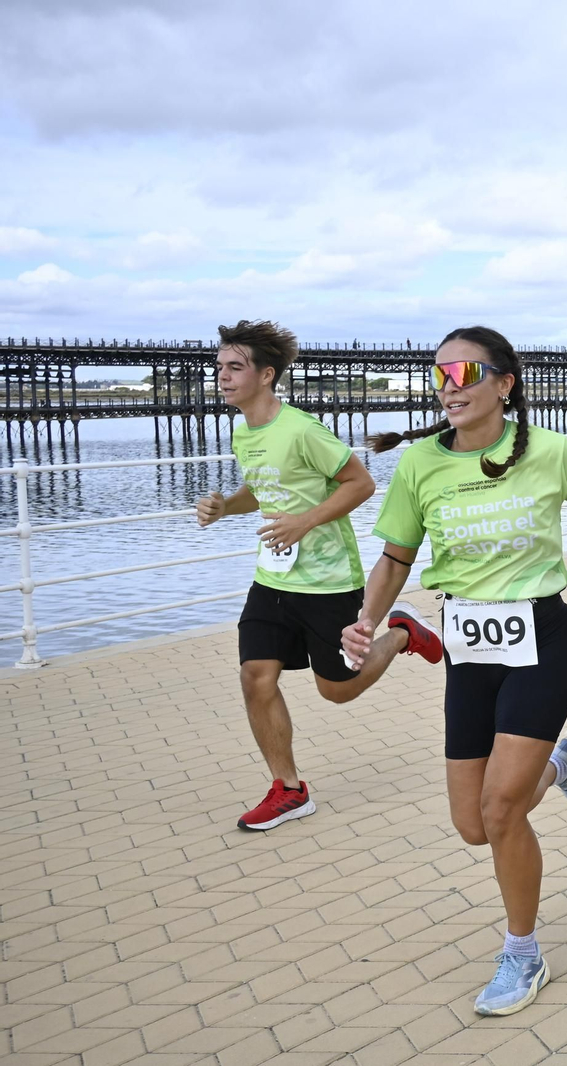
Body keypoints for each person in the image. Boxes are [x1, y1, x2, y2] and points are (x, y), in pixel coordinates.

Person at [342, 325, 567, 1017]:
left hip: (541, 637)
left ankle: (523, 954)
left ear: (504, 384)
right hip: (469, 650)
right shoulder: (422, 464)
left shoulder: (549, 453)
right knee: (472, 823)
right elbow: (395, 557)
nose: (448, 388)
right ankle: (562, 763)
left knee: (502, 809)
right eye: (439, 376)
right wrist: (366, 619)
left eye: (464, 374)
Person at [196, 320, 442, 832]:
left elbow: (361, 482)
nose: (222, 376)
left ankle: (400, 633)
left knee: (337, 690)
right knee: (254, 676)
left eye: (234, 367)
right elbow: (264, 493)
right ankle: (288, 789)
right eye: (219, 366)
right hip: (274, 579)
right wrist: (226, 507)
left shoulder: (303, 430)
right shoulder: (245, 430)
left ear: (266, 375)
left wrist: (305, 522)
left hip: (328, 580)